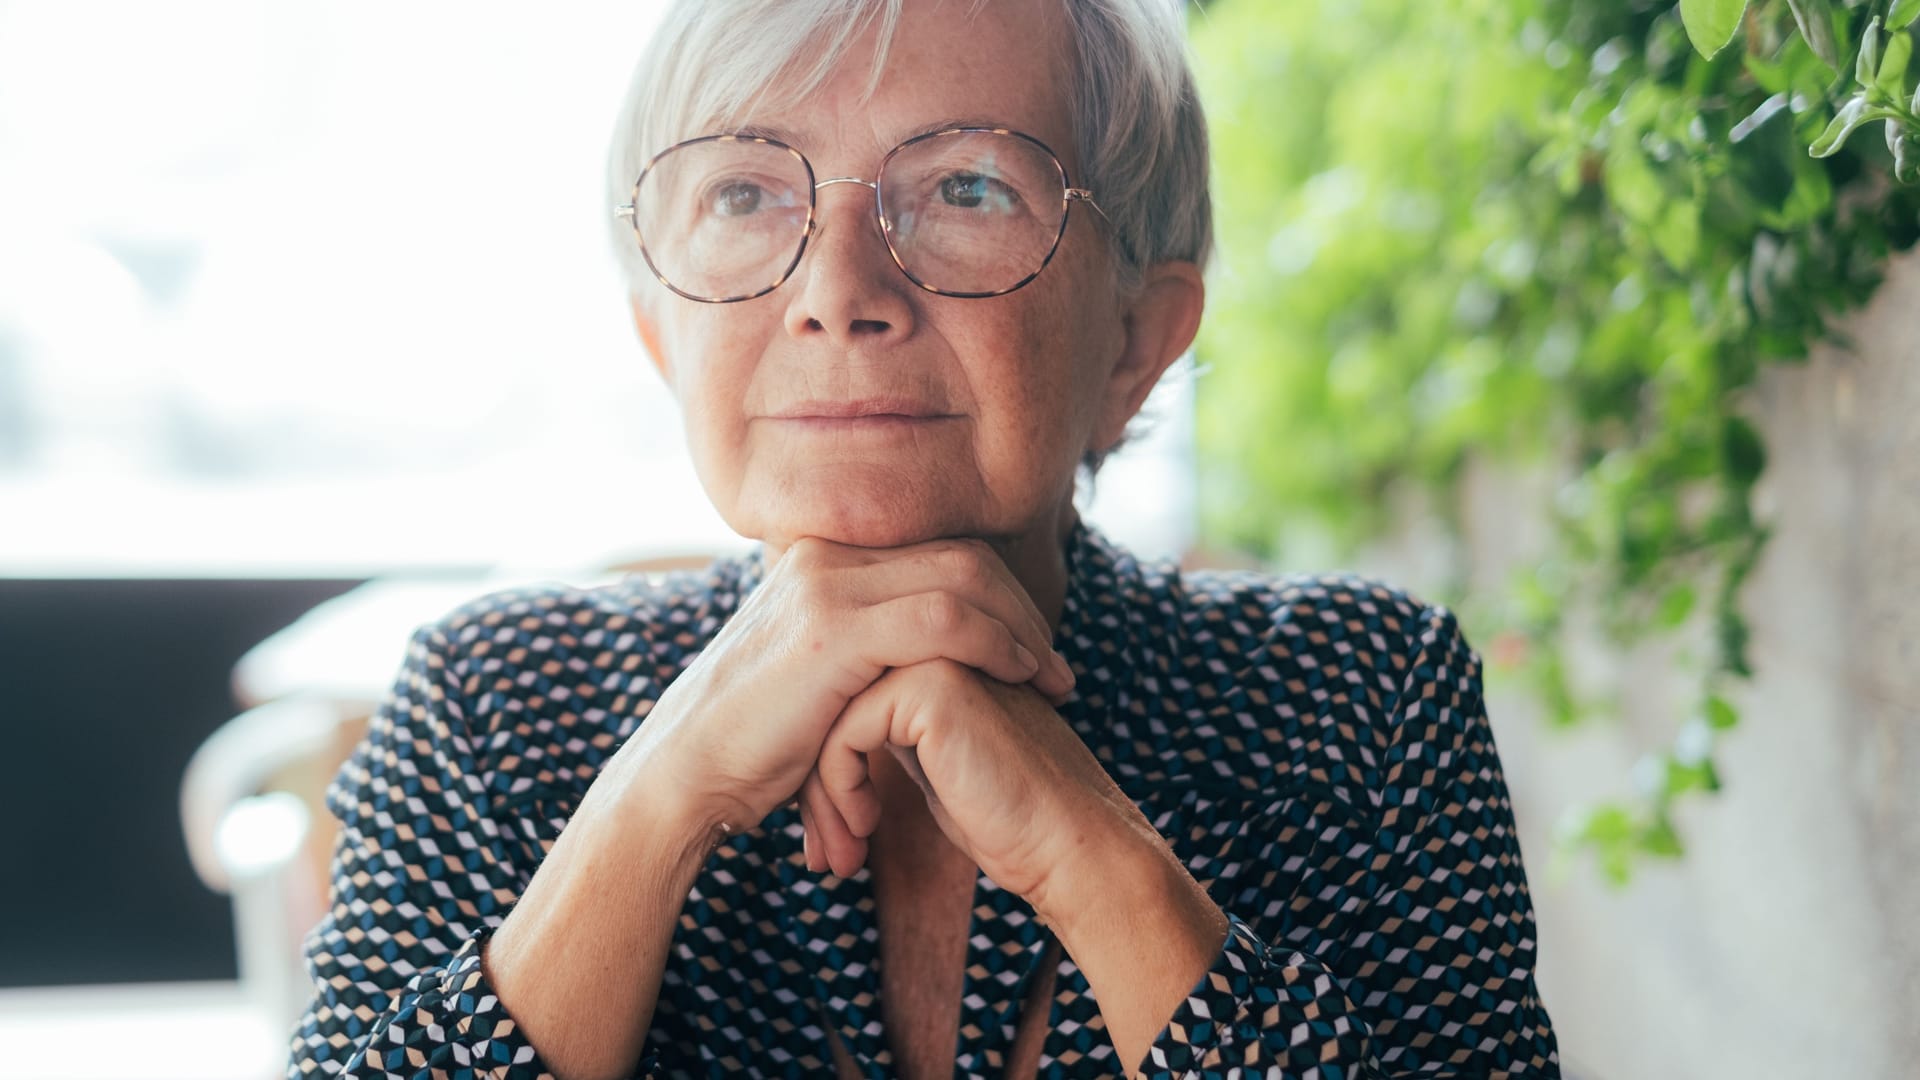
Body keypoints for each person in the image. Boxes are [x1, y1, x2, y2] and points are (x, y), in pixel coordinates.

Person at [286, 0, 1561, 1076]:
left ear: (1136, 341)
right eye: (744, 190)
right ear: (663, 334)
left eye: (966, 186)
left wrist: (1094, 857)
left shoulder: (1358, 698)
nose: (838, 291)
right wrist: (657, 797)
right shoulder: (495, 706)